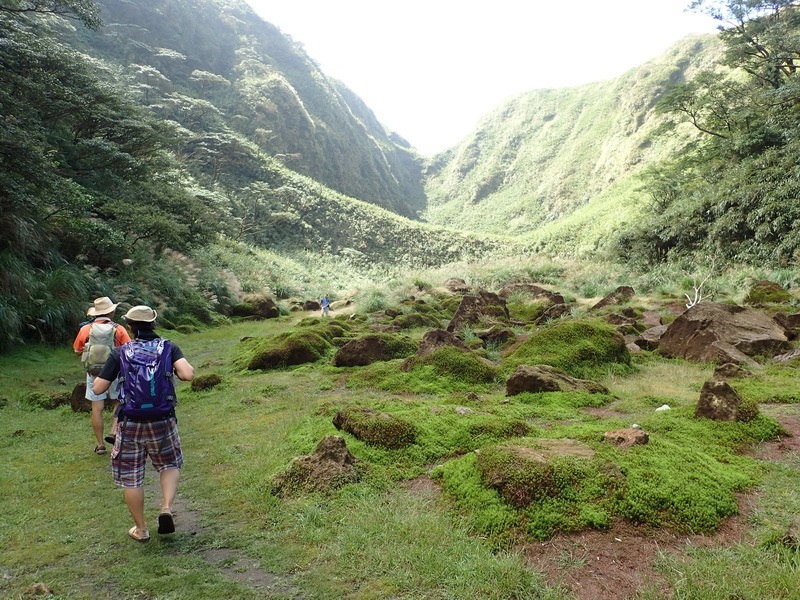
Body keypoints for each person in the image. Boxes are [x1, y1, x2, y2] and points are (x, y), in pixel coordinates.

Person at [93, 305, 194, 543]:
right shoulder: (169, 347)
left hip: (131, 422)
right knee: (169, 463)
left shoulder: (121, 352)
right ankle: (166, 507)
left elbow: (98, 388)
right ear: (153, 324)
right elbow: (188, 374)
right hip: (163, 419)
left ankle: (141, 528)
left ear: (130, 326)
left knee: (131, 477)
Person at [73, 296, 131, 455]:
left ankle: (99, 445)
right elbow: (128, 350)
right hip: (116, 371)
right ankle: (113, 431)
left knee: (96, 408)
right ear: (111, 312)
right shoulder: (119, 329)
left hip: (94, 373)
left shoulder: (86, 329)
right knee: (119, 401)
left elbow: (77, 351)